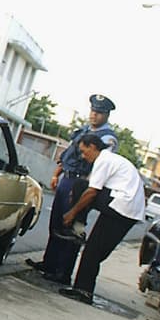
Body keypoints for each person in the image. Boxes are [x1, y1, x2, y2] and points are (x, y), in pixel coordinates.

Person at [25, 93, 118, 283]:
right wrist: (56, 173)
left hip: (80, 183)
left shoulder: (107, 138)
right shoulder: (83, 131)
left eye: (99, 113)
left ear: (107, 115)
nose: (94, 115)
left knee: (71, 227)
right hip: (66, 178)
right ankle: (49, 263)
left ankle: (63, 272)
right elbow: (67, 153)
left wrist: (84, 189)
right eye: (93, 111)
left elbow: (100, 165)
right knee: (56, 224)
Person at [58, 132, 146, 304]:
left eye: (84, 152)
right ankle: (83, 288)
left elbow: (91, 192)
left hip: (121, 207)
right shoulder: (111, 160)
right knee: (96, 250)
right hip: (126, 209)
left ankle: (83, 290)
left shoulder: (103, 160)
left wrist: (72, 214)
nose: (84, 157)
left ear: (93, 147)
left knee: (82, 187)